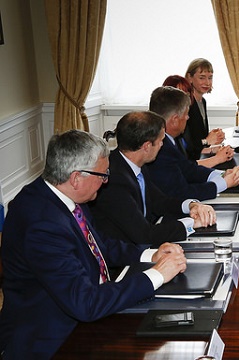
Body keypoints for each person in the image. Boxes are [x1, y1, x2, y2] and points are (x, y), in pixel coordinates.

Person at [0, 130, 188, 359]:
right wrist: (157, 275)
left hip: (86, 311)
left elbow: (99, 247)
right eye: (102, 174)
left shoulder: (65, 196)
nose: (106, 181)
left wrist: (151, 255)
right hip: (54, 338)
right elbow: (86, 303)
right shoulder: (42, 224)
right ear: (76, 178)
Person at [89, 111, 217, 247]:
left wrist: (192, 205)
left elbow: (160, 201)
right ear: (147, 146)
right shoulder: (114, 180)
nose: (163, 145)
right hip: (126, 259)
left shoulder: (136, 164)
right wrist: (192, 223)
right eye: (161, 141)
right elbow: (144, 234)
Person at [146, 86, 239, 200]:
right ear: (174, 119)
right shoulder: (159, 148)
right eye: (186, 114)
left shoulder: (172, 139)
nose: (188, 118)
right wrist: (224, 183)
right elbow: (181, 193)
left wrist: (222, 175)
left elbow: (189, 169)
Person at [162, 75, 234, 168]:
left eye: (187, 95)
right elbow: (185, 167)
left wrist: (214, 151)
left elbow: (189, 153)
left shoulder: (180, 126)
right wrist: (216, 156)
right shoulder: (162, 136)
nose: (184, 100)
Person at [181, 58, 225, 161]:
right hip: (190, 161)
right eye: (202, 78)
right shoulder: (186, 103)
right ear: (189, 77)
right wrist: (207, 141)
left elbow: (198, 136)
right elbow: (186, 145)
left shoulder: (202, 101)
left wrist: (214, 136)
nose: (207, 82)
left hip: (199, 156)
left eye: (210, 78)